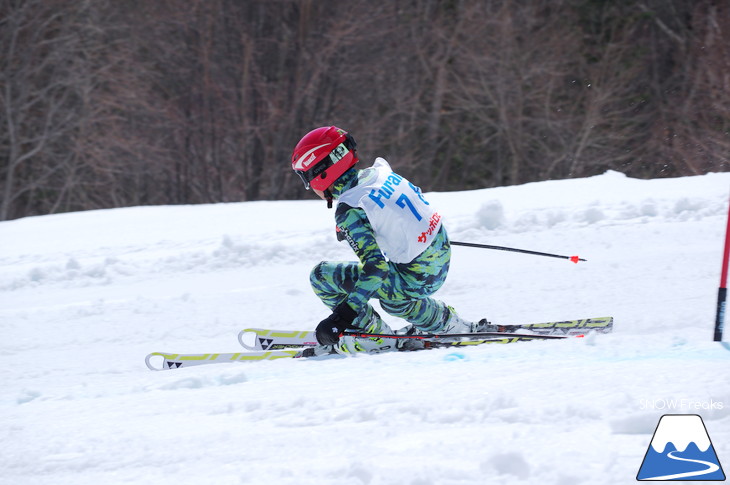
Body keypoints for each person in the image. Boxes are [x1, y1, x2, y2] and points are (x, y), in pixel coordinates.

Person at [291, 125, 490, 353]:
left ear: (321, 173)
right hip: (440, 250)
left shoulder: (350, 209)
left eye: (305, 177)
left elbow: (376, 269)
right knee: (394, 296)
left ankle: (374, 337)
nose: (307, 185)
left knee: (322, 276)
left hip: (420, 275)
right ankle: (447, 323)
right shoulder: (378, 172)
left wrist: (343, 317)